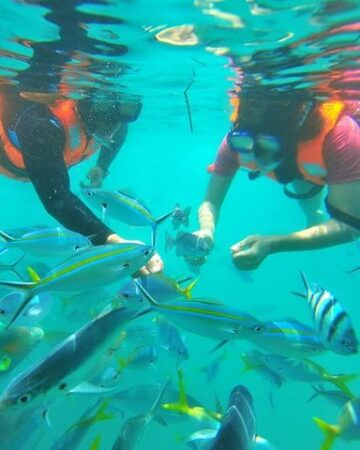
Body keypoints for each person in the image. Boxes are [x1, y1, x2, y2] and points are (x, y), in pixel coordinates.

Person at [0, 0, 163, 273]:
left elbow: (120, 129)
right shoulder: (44, 128)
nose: (113, 124)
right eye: (106, 113)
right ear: (85, 102)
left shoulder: (109, 121)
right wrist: (111, 241)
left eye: (126, 113)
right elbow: (57, 200)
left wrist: (102, 166)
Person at [190, 84, 360, 271]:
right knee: (300, 174)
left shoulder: (340, 136)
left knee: (304, 173)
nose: (255, 155)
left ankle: (313, 215)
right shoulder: (235, 142)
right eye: (245, 143)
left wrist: (273, 244)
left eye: (267, 147)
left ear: (294, 139)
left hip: (330, 163)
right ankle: (313, 215)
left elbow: (349, 225)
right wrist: (206, 229)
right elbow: (210, 201)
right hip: (302, 167)